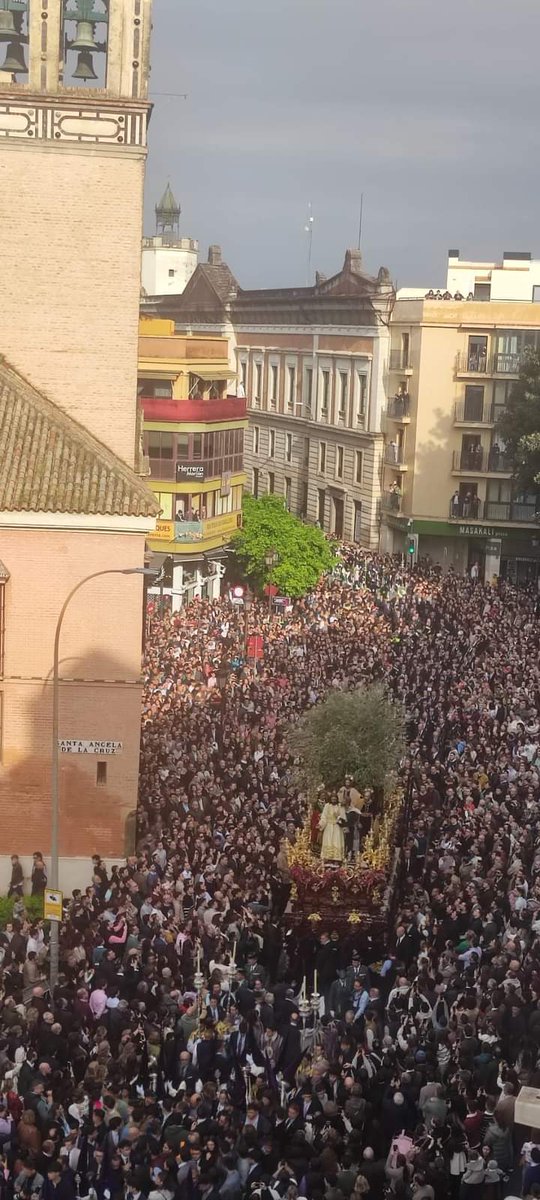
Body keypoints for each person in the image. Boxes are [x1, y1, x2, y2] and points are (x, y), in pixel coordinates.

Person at [319, 796, 346, 862]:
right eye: (332, 799)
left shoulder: (340, 806)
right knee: (328, 841)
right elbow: (324, 817)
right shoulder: (327, 806)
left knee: (337, 841)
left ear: (337, 799)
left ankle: (337, 858)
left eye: (335, 799)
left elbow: (344, 817)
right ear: (330, 799)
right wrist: (320, 824)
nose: (333, 800)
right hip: (328, 826)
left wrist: (338, 817)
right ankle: (327, 857)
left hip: (337, 826)